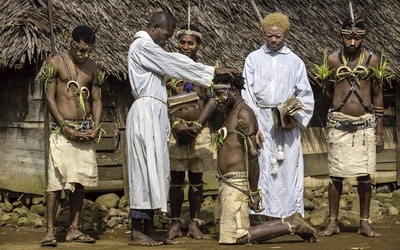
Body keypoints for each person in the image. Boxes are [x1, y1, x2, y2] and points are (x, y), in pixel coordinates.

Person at [126, 11, 231, 246]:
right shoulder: (142, 46)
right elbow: (172, 62)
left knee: (155, 170)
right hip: (145, 112)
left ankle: (150, 228)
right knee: (143, 170)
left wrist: (209, 73)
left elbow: (171, 60)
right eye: (167, 35)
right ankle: (136, 231)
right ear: (154, 27)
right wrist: (211, 72)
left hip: (154, 112)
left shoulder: (151, 48)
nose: (167, 40)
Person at [214, 73, 317, 244]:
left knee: (237, 237)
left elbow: (253, 156)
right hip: (228, 183)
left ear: (232, 91)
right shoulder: (232, 113)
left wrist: (254, 192)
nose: (216, 99)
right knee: (234, 236)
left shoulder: (244, 114)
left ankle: (291, 224)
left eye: (218, 94)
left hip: (237, 184)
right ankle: (291, 222)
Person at [242, 12, 315, 223]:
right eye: (269, 36)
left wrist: (294, 117)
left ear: (285, 35)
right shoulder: (253, 59)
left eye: (278, 36)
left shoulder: (295, 62)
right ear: (263, 34)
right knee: (262, 164)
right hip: (261, 119)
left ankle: (289, 214)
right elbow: (247, 94)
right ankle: (260, 214)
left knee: (288, 167)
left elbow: (306, 96)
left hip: (286, 123)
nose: (273, 40)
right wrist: (253, 127)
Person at [318, 14, 385, 237]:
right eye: (348, 38)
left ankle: (364, 223)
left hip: (365, 124)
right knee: (335, 175)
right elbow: (327, 92)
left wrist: (379, 132)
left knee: (365, 176)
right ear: (341, 36)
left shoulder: (372, 60)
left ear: (363, 38)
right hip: (339, 123)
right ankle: (333, 222)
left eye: (356, 38)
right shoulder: (332, 60)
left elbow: (377, 95)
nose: (353, 42)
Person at [40, 25, 102, 246]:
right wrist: (63, 125)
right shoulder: (55, 63)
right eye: (81, 50)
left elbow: (96, 100)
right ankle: (50, 231)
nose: (84, 55)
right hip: (62, 132)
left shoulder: (92, 67)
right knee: (55, 184)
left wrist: (96, 126)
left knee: (79, 182)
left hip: (84, 130)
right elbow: (49, 98)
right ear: (71, 45)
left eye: (88, 51)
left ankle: (73, 229)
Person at [166, 24, 216, 240]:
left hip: (199, 131)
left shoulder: (203, 70)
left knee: (196, 179)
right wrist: (175, 124)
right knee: (176, 179)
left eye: (191, 43)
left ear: (198, 45)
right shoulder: (168, 67)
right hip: (175, 131)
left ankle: (194, 223)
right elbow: (163, 97)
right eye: (182, 42)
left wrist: (197, 125)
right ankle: (175, 223)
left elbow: (212, 99)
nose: (185, 46)